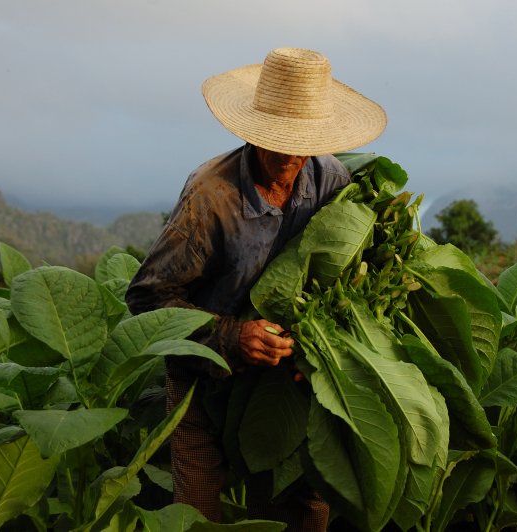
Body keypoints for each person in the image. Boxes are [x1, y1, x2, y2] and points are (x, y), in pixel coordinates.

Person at [125, 47, 386, 530]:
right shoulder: (211, 196)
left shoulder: (332, 181)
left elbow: (335, 282)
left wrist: (315, 356)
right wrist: (231, 337)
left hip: (282, 383)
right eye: (277, 139)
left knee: (300, 511)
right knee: (197, 516)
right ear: (251, 132)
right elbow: (147, 298)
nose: (290, 155)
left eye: (303, 141)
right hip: (200, 380)